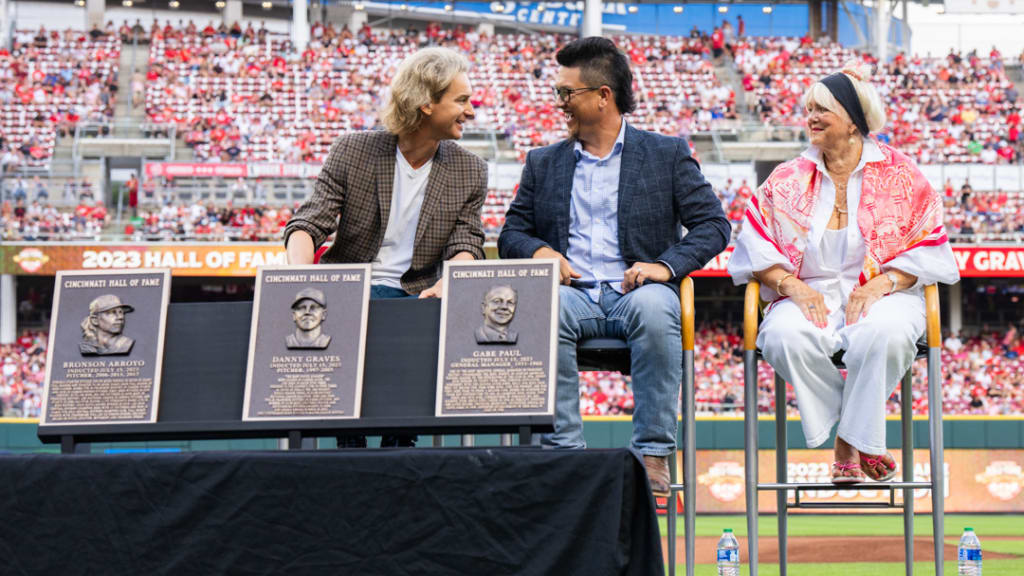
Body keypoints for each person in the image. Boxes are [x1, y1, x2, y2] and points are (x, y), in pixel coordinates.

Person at [498, 37, 730, 496]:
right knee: (544, 309)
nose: (560, 102)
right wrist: (540, 253)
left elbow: (713, 225)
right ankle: (564, 454)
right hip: (572, 294)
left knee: (656, 308)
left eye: (567, 93)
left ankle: (652, 454)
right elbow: (511, 234)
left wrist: (666, 265)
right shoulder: (543, 163)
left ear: (603, 96)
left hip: (638, 292)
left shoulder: (666, 153)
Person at [727, 60, 960, 484]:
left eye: (822, 109)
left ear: (853, 122)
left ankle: (847, 442)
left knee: (884, 333)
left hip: (885, 291)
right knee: (781, 336)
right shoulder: (787, 177)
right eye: (809, 108)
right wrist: (793, 285)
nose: (811, 117)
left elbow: (932, 244)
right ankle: (859, 433)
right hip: (805, 290)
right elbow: (754, 242)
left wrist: (884, 284)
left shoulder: (901, 174)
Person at [284, 46, 487, 447]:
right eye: (461, 100)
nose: (471, 111)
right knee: (366, 306)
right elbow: (309, 223)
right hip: (349, 290)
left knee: (420, 314)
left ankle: (398, 444)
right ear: (426, 104)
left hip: (420, 294)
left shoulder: (470, 169)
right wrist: (298, 275)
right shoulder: (353, 151)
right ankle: (354, 441)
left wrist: (452, 283)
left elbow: (467, 242)